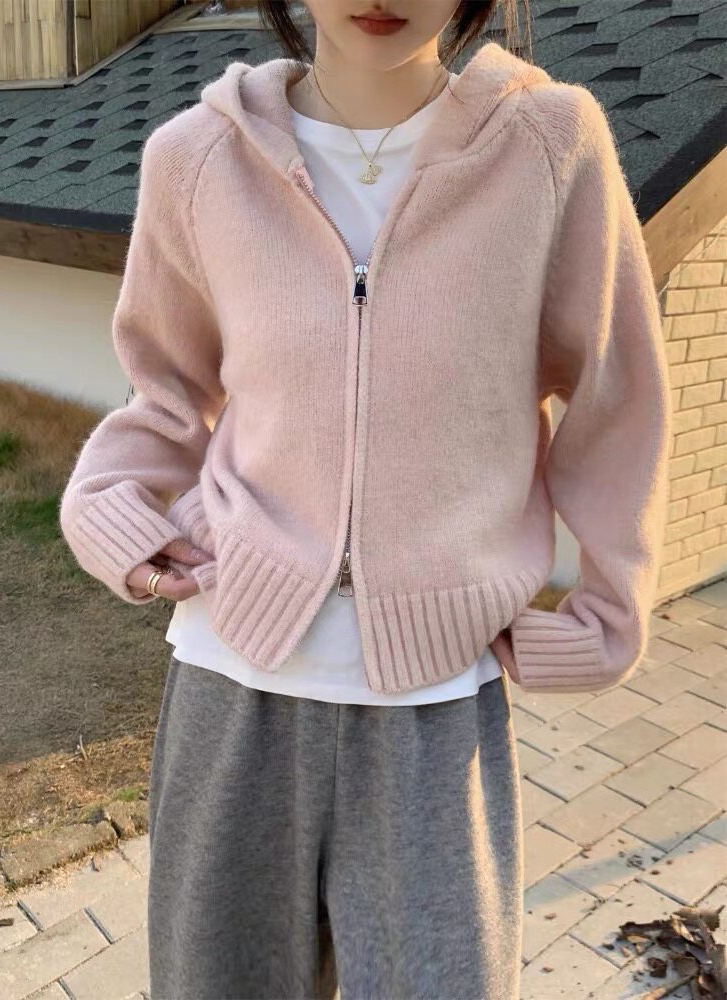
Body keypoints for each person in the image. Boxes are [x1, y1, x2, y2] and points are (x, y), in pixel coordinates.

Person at [58, 1, 672, 997]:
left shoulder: (552, 148)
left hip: (433, 707)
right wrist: (111, 509)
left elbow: (617, 394)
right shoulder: (198, 157)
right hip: (232, 688)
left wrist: (608, 615)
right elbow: (167, 390)